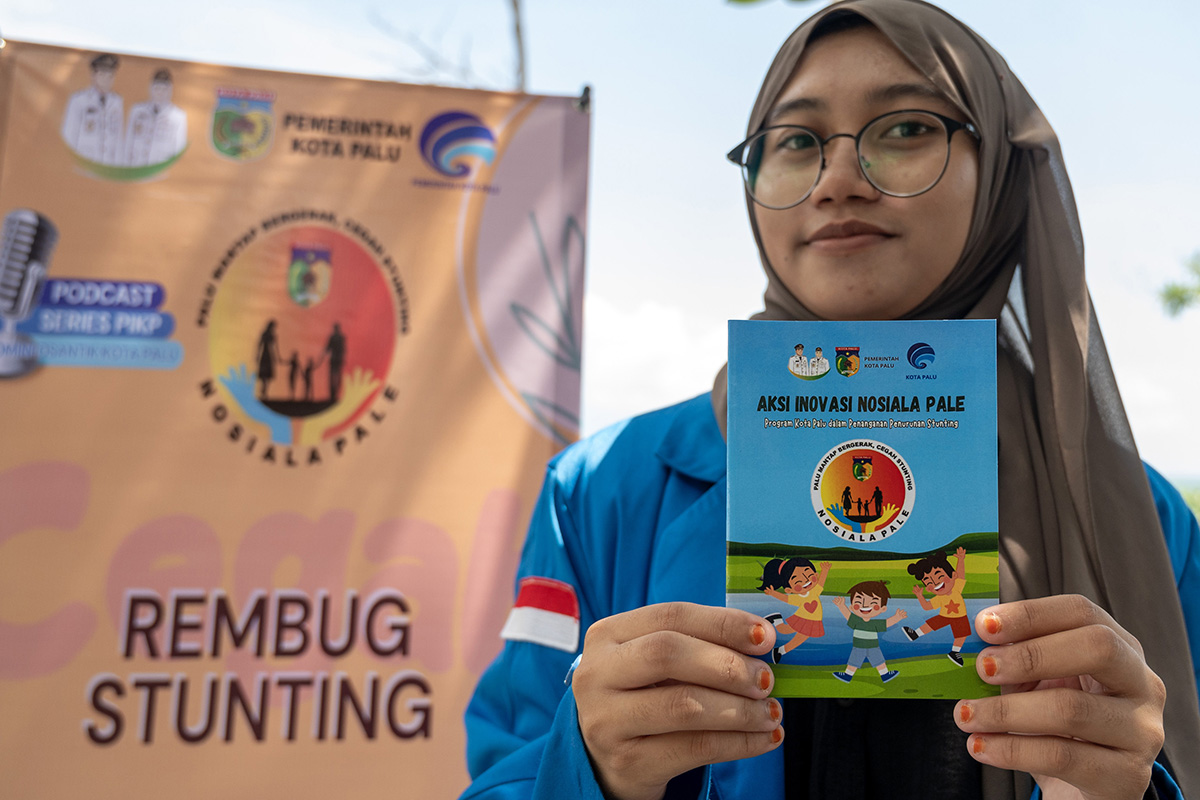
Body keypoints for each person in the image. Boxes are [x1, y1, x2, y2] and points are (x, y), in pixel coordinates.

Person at [462, 2, 1200, 799]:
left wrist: (1133, 788)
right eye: (795, 142)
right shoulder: (600, 490)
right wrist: (588, 769)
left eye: (907, 128)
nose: (838, 180)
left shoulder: (1143, 523)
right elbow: (498, 776)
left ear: (1001, 175)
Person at [903, 547, 971, 666]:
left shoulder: (956, 588)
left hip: (960, 616)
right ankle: (915, 634)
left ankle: (955, 652)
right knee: (931, 624)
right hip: (944, 615)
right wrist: (920, 596)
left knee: (962, 634)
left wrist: (961, 560)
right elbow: (927, 607)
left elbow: (961, 575)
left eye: (939, 577)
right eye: (929, 583)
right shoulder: (939, 598)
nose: (935, 584)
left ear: (953, 575)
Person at [830, 580, 906, 684]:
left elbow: (887, 623)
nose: (865, 606)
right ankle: (848, 675)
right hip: (858, 646)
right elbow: (848, 615)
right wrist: (841, 606)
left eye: (873, 603)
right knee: (853, 661)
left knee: (879, 661)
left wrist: (897, 618)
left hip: (873, 646)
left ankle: (885, 674)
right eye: (859, 602)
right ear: (852, 607)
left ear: (882, 609)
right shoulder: (856, 621)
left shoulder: (875, 623)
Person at [60, 53, 124, 165]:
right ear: (93, 75)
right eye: (102, 74)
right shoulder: (79, 100)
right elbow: (69, 136)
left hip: (108, 167)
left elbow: (118, 138)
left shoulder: (116, 102)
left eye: (110, 75)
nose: (106, 79)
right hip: (85, 164)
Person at [123, 68, 188, 167]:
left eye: (164, 89)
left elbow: (178, 152)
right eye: (157, 88)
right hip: (135, 168)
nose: (160, 93)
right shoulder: (137, 111)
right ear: (151, 88)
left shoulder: (178, 116)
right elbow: (128, 143)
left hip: (159, 173)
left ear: (170, 90)